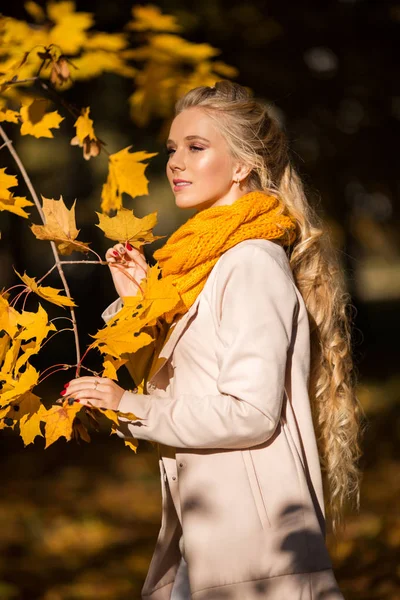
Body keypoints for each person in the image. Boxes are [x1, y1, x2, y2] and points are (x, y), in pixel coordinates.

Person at [63, 81, 363, 599]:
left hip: (253, 551)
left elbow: (251, 411)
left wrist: (130, 404)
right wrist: (141, 308)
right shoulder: (203, 266)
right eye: (172, 149)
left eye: (196, 148)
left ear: (243, 164)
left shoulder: (251, 262)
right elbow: (184, 386)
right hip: (208, 536)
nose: (176, 162)